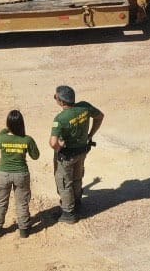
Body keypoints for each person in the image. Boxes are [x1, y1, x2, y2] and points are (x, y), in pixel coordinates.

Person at [49, 85, 104, 223]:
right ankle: (77, 202)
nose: (55, 99)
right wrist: (90, 134)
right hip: (82, 150)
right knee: (77, 177)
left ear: (61, 102)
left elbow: (53, 142)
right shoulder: (85, 107)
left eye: (55, 97)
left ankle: (68, 213)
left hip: (67, 156)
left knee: (64, 182)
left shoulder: (60, 118)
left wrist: (59, 147)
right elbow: (100, 116)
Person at [0, 110, 40, 238]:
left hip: (3, 174)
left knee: (1, 202)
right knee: (22, 202)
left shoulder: (2, 138)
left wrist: (3, 131)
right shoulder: (27, 140)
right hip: (21, 174)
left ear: (8, 124)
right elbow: (36, 156)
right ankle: (24, 229)